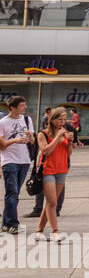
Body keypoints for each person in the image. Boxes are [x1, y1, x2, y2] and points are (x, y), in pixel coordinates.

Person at [35, 108, 77, 242]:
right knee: (52, 201)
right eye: (59, 120)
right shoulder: (43, 134)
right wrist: (58, 137)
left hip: (61, 169)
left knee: (50, 202)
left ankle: (39, 231)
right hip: (48, 170)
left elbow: (68, 153)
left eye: (64, 120)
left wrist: (70, 141)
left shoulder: (64, 133)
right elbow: (46, 151)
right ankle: (55, 231)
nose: (62, 122)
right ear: (52, 120)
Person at [0, 96, 35, 235]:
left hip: (24, 160)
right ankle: (13, 224)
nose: (25, 107)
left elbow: (32, 141)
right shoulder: (2, 122)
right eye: (21, 105)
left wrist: (29, 136)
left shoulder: (27, 120)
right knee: (12, 192)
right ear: (12, 108)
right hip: (9, 160)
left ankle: (5, 224)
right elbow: (2, 145)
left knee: (13, 194)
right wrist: (15, 140)